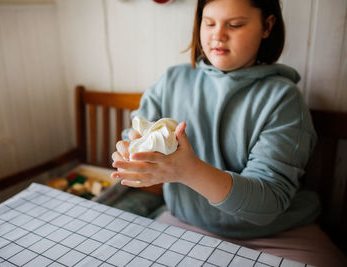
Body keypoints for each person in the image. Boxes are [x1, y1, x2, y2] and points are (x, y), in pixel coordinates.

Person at [112, 0, 346, 265]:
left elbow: (268, 204)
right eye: (209, 22)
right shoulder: (172, 82)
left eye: (235, 24)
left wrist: (189, 171)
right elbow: (136, 131)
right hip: (187, 221)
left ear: (267, 26)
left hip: (277, 234)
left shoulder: (283, 99)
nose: (218, 35)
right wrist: (134, 154)